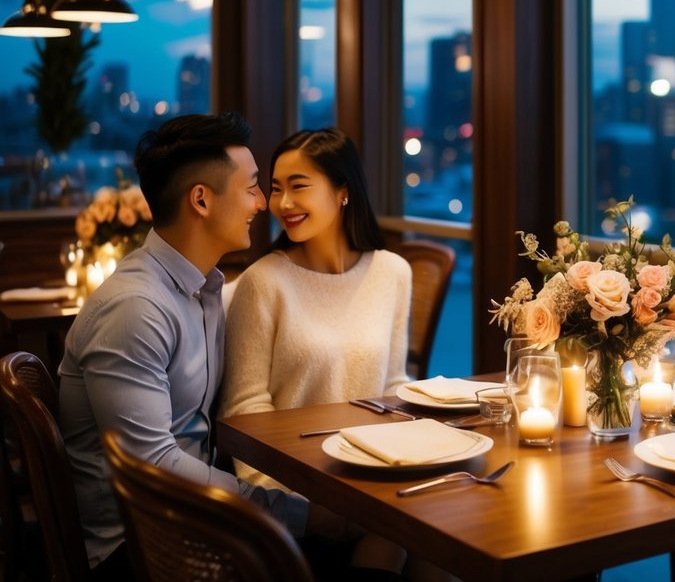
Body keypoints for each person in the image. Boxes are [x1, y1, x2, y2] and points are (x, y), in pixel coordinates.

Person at [58, 113, 340, 578]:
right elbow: (155, 468)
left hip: (192, 522)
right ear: (202, 200)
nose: (261, 204)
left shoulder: (203, 289)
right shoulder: (136, 308)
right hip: (140, 551)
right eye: (252, 187)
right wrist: (299, 514)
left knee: (382, 541)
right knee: (358, 543)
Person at [220, 127, 412, 579]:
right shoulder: (264, 282)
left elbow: (394, 386)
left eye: (299, 186)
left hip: (375, 478)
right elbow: (244, 412)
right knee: (399, 540)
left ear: (343, 191)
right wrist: (298, 508)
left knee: (442, 534)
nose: (283, 203)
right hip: (296, 497)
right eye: (275, 188)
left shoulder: (393, 273)